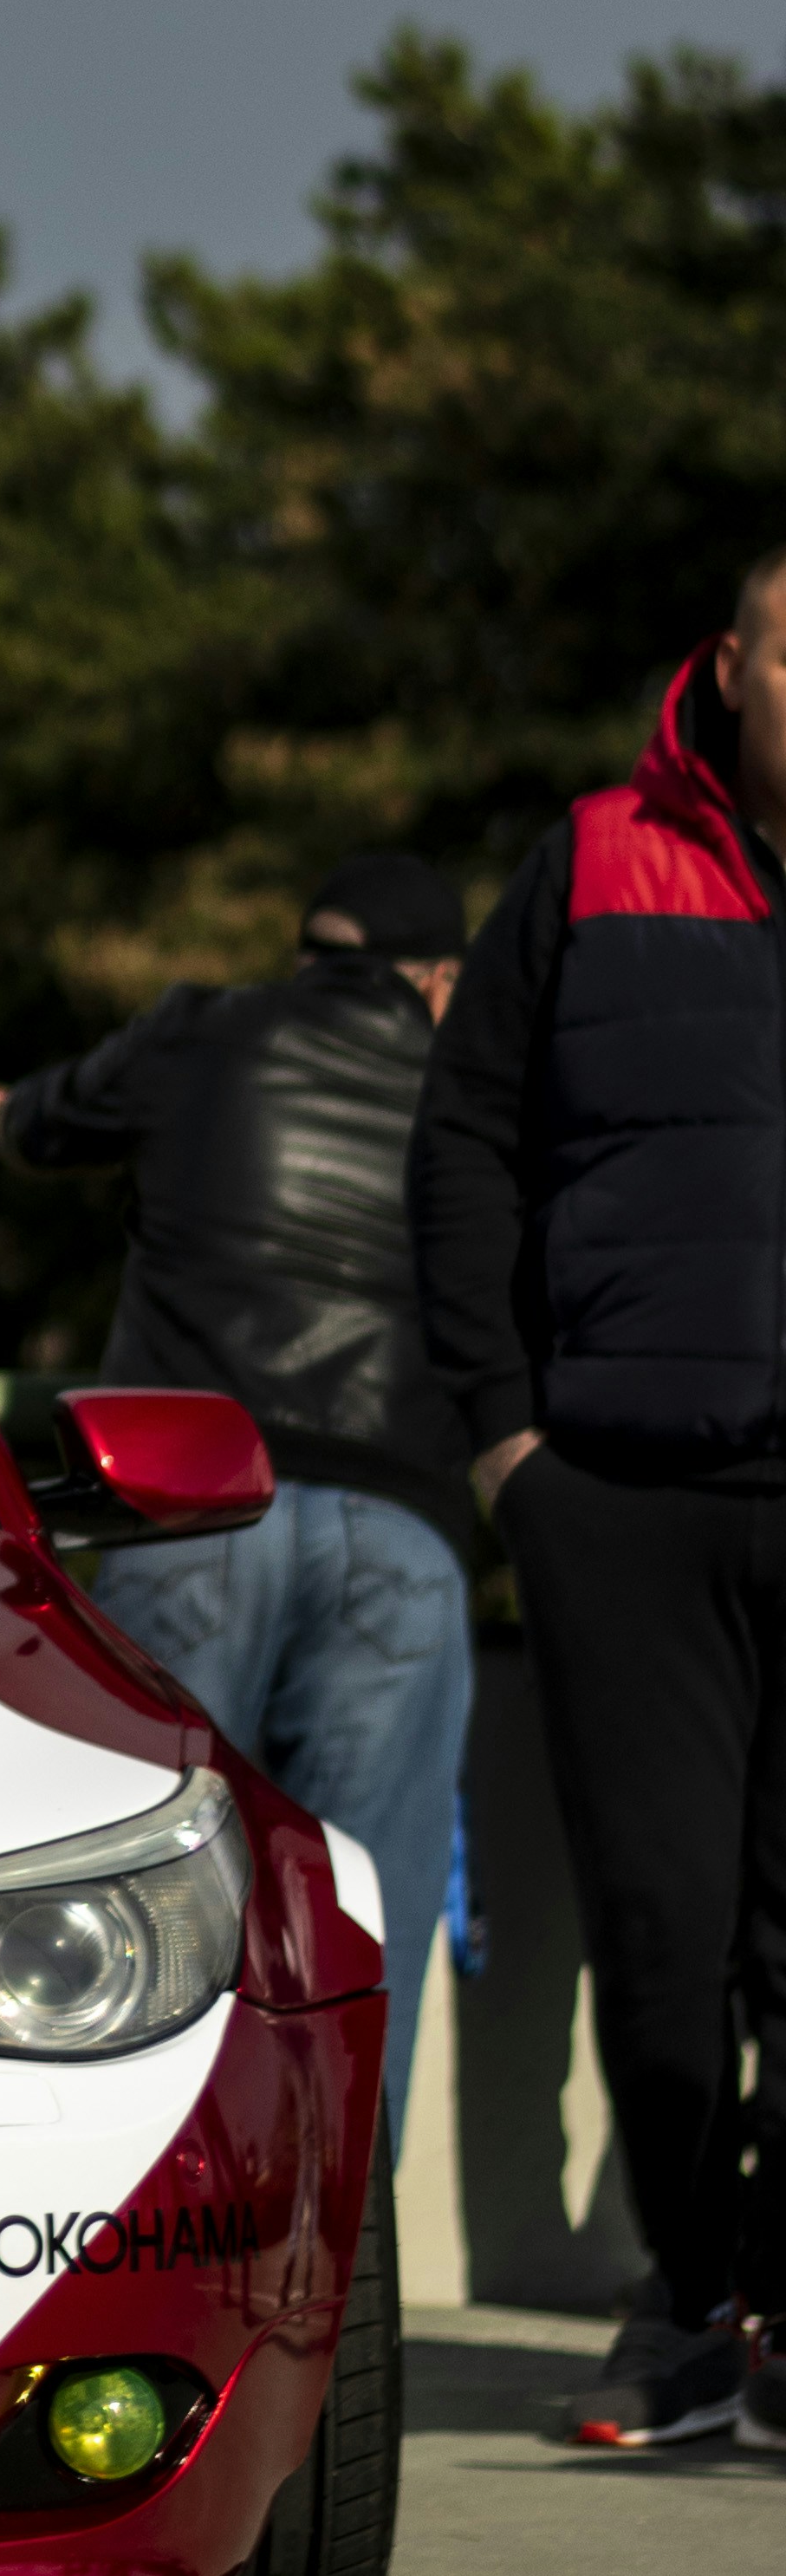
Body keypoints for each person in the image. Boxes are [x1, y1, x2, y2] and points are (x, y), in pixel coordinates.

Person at [412, 574, 786, 2456]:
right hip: (620, 1500)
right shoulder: (591, 863)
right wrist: (502, 1444)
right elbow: (463, 1142)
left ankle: (755, 2317)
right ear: (729, 669)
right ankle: (694, 2297)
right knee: (659, 1943)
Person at [0, 855, 473, 2140]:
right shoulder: (478, 1079)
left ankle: (153, 2208)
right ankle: (348, 2273)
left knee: (164, 1898)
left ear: (311, 956)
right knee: (359, 1921)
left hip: (198, 1504)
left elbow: (39, 1124)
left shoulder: (202, 1030)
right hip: (403, 1522)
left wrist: (3, 1118)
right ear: (438, 980)